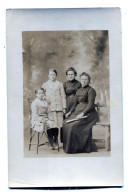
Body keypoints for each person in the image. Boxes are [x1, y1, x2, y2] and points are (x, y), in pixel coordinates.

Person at [63, 72, 99, 154]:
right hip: (78, 111)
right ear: (80, 80)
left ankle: (78, 148)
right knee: (65, 123)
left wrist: (83, 113)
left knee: (73, 125)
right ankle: (69, 147)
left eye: (86, 79)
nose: (84, 81)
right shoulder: (78, 90)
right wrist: (69, 112)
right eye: (82, 79)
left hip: (89, 113)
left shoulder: (91, 90)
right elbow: (75, 104)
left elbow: (90, 105)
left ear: (89, 80)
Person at [42, 69, 66, 147]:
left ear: (56, 75)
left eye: (54, 74)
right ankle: (51, 141)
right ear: (48, 76)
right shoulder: (45, 84)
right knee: (50, 124)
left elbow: (63, 96)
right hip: (49, 108)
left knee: (57, 124)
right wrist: (45, 99)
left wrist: (64, 107)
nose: (52, 76)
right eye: (51, 74)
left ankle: (56, 140)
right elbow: (41, 95)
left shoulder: (59, 84)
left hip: (58, 107)